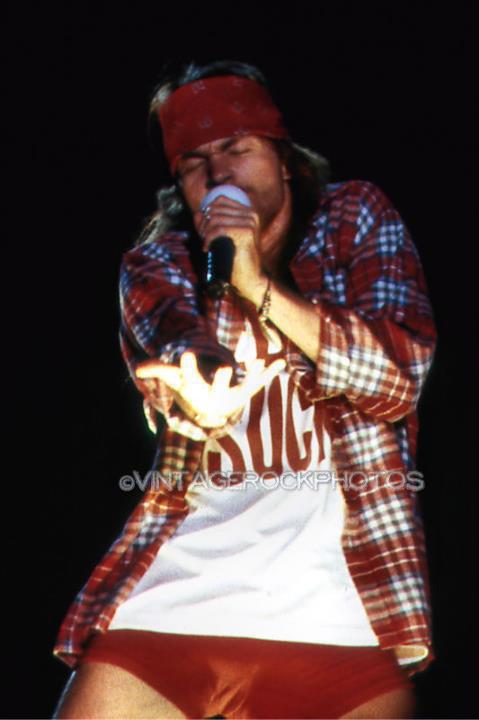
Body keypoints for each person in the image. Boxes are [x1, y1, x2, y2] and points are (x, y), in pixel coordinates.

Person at [53, 60, 437, 719]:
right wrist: (195, 388)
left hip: (341, 628)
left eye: (237, 148)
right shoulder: (159, 262)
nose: (218, 173)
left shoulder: (353, 217)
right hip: (169, 615)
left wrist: (255, 284)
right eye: (194, 163)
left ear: (285, 160)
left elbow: (399, 376)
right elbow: (178, 342)